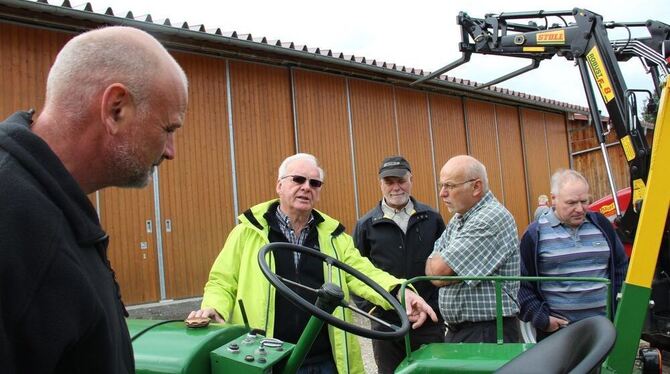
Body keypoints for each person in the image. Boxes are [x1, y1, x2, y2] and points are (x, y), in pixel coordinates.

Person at [0, 26, 188, 373]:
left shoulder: (51, 203)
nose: (171, 151)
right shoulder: (14, 223)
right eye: (168, 129)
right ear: (116, 109)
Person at [188, 153, 437, 374]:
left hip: (323, 360)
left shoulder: (333, 236)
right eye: (298, 180)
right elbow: (222, 280)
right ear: (280, 185)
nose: (306, 187)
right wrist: (213, 307)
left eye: (314, 183)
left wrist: (399, 291)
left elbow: (363, 272)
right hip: (266, 357)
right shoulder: (248, 232)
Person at [353, 155, 446, 373]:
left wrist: (436, 307)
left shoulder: (431, 218)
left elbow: (446, 267)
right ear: (381, 184)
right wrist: (374, 310)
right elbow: (356, 272)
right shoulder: (366, 225)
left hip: (428, 322)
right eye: (389, 182)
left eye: (401, 180)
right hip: (387, 326)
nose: (396, 187)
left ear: (411, 179)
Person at [518, 169, 628, 341]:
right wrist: (542, 319)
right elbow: (520, 284)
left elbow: (621, 267)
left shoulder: (602, 225)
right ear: (553, 199)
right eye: (571, 203)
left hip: (603, 331)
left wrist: (619, 310)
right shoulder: (535, 235)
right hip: (558, 335)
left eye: (584, 201)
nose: (579, 209)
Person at [425, 155, 520, 343]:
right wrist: (449, 272)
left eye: (449, 186)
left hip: (488, 332)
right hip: (465, 331)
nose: (442, 193)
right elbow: (432, 268)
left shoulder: (490, 218)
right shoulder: (460, 218)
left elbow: (438, 271)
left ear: (476, 187)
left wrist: (443, 270)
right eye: (441, 186)